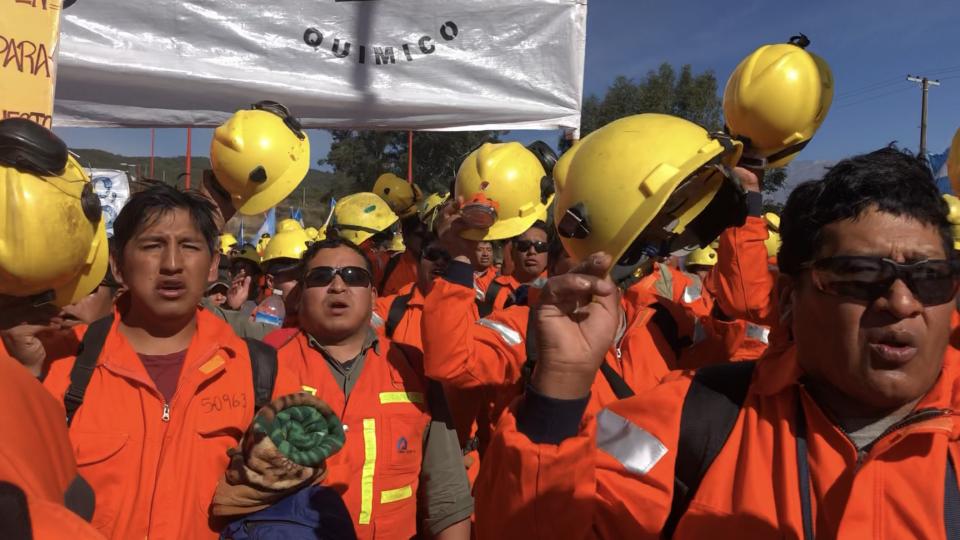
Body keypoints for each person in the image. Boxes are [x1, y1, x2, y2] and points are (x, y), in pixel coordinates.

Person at [480, 147, 960, 538]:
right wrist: (558, 393)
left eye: (931, 277)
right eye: (860, 274)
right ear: (789, 297)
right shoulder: (688, 419)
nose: (901, 302)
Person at [33, 185, 300, 539]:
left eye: (189, 247)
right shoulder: (58, 362)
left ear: (213, 265)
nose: (172, 264)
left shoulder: (259, 372)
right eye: (152, 246)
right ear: (117, 264)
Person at [275, 237, 473, 539]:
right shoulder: (267, 369)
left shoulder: (415, 370)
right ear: (300, 296)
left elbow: (447, 498)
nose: (338, 286)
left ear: (373, 295)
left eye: (354, 277)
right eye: (321, 277)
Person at [477, 222, 550, 314]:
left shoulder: (558, 291)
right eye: (524, 245)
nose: (532, 251)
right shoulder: (489, 287)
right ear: (513, 251)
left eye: (540, 246)